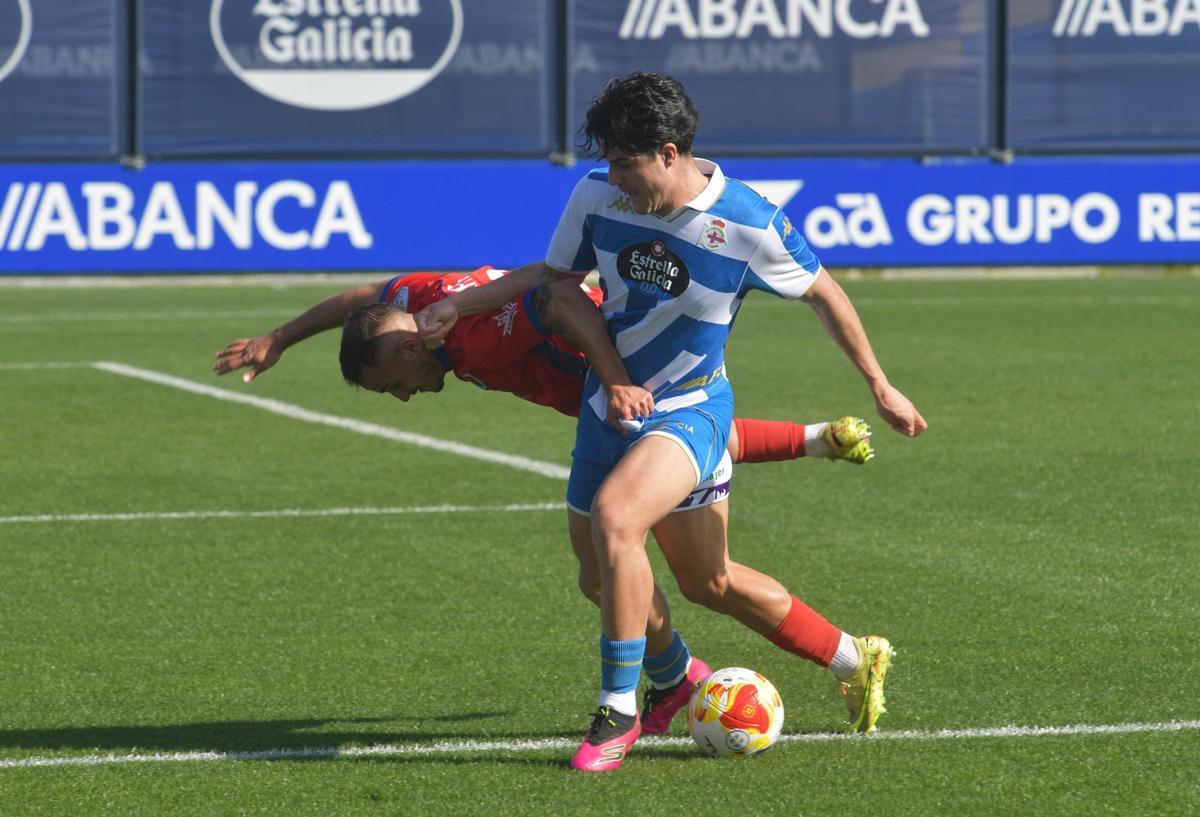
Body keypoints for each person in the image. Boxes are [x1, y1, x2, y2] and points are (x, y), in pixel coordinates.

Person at [416, 72, 927, 772]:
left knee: (617, 518)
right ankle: (849, 654)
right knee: (663, 579)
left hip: (689, 410)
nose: (616, 177)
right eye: (611, 162)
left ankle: (618, 711)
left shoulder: (748, 221)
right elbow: (556, 280)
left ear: (668, 150)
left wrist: (880, 383)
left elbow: (824, 292)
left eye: (627, 163)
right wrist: (464, 307)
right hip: (609, 405)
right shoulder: (597, 195)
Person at [214, 266, 874, 741]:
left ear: (413, 346)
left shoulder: (475, 335)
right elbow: (361, 298)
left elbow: (557, 299)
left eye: (395, 385)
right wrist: (280, 336)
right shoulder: (416, 302)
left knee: (703, 575)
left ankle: (838, 657)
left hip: (642, 391)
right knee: (605, 572)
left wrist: (613, 377)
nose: (404, 397)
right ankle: (676, 680)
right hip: (611, 412)